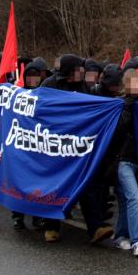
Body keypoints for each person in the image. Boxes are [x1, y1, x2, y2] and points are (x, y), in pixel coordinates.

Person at [41, 55, 114, 245]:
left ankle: (96, 228)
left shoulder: (84, 86)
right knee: (56, 185)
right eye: (77, 69)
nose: (81, 73)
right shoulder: (50, 85)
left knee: (86, 184)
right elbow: (42, 109)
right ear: (67, 71)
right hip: (55, 144)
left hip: (78, 144)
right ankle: (51, 227)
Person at [112, 70, 138, 257]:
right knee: (135, 198)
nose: (136, 85)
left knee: (128, 201)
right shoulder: (120, 106)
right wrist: (128, 108)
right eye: (132, 82)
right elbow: (116, 132)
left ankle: (120, 235)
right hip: (123, 161)